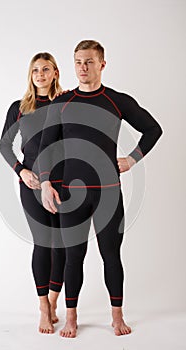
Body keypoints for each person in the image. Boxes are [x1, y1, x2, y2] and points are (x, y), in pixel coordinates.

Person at [39, 40, 163, 338]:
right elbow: (46, 147)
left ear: (102, 64)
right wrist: (45, 183)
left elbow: (153, 129)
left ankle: (117, 316)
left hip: (108, 191)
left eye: (89, 62)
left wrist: (132, 159)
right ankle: (71, 318)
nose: (83, 67)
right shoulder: (62, 102)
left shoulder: (116, 100)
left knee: (111, 255)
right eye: (79, 62)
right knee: (73, 257)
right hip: (71, 194)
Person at [0, 52, 66, 334]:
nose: (40, 74)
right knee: (43, 242)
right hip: (32, 184)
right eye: (35, 69)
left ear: (54, 73)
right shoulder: (19, 107)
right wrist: (21, 171)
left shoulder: (65, 103)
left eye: (46, 69)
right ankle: (42, 308)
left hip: (63, 183)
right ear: (31, 74)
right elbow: (5, 145)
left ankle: (53, 303)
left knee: (62, 244)